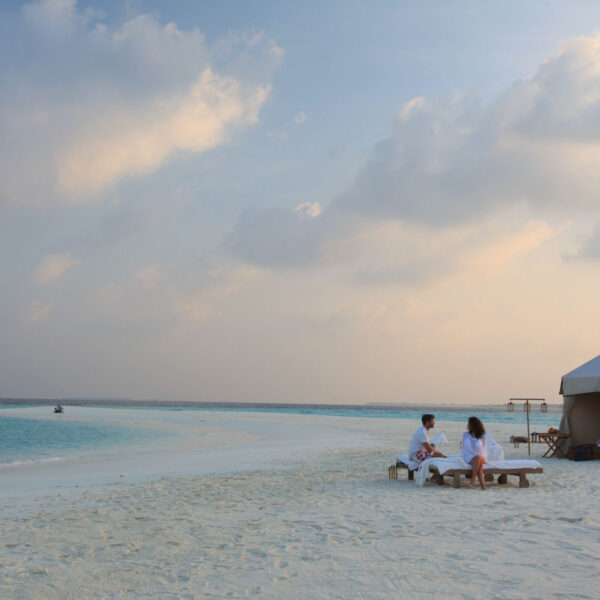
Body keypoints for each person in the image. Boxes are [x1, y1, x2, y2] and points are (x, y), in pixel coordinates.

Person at [462, 416, 488, 490]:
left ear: (474, 425)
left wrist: (482, 457)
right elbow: (464, 448)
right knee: (478, 462)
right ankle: (482, 485)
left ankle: (472, 482)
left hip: (481, 456)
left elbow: (484, 448)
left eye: (469, 424)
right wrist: (466, 456)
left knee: (478, 458)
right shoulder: (465, 434)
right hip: (468, 456)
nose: (467, 425)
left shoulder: (483, 435)